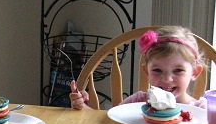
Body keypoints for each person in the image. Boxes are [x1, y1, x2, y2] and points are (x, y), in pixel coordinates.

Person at [70, 26, 206, 110]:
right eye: (157, 70)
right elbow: (107, 122)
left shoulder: (201, 111)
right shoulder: (138, 102)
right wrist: (82, 106)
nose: (167, 79)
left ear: (195, 72)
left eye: (178, 70)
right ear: (146, 71)